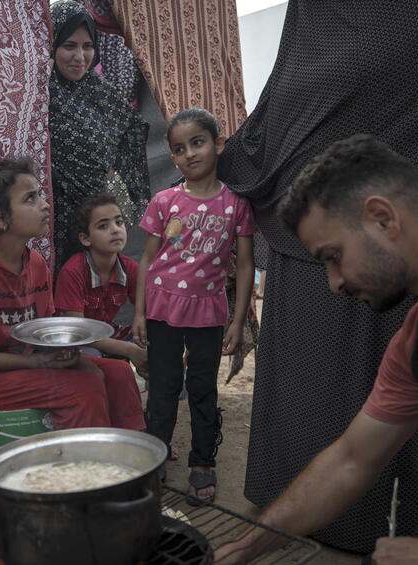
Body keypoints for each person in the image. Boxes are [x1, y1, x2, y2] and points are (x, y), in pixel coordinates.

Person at [215, 134, 418, 565]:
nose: (333, 283)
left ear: (382, 219)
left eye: (333, 256)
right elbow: (351, 460)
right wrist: (246, 546)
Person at [0, 158, 144, 431]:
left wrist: (62, 356)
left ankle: (131, 455)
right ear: (0, 218)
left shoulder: (35, 263)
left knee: (118, 373)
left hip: (30, 364)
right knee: (83, 386)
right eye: (31, 198)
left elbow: (45, 330)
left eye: (40, 195)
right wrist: (33, 361)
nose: (45, 204)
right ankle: (88, 466)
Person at [132, 109, 256, 504]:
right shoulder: (165, 201)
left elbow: (247, 264)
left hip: (208, 312)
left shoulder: (235, 205)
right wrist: (138, 312)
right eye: (179, 149)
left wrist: (238, 321)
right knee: (163, 389)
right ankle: (155, 458)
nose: (189, 154)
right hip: (162, 309)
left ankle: (203, 462)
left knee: (203, 390)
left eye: (197, 143)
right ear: (173, 158)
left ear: (217, 144)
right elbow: (148, 261)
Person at [48, 0, 150, 266]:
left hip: (93, 225)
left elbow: (133, 130)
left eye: (88, 46)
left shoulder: (100, 92)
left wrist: (123, 188)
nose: (80, 57)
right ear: (51, 43)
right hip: (50, 223)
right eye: (69, 45)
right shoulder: (38, 95)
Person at [54, 192, 148, 377]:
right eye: (103, 226)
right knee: (92, 362)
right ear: (85, 238)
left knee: (158, 343)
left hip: (109, 332)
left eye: (119, 222)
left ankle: (161, 399)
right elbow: (78, 333)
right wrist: (129, 350)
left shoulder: (130, 268)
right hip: (76, 342)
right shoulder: (73, 272)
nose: (115, 230)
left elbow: (148, 309)